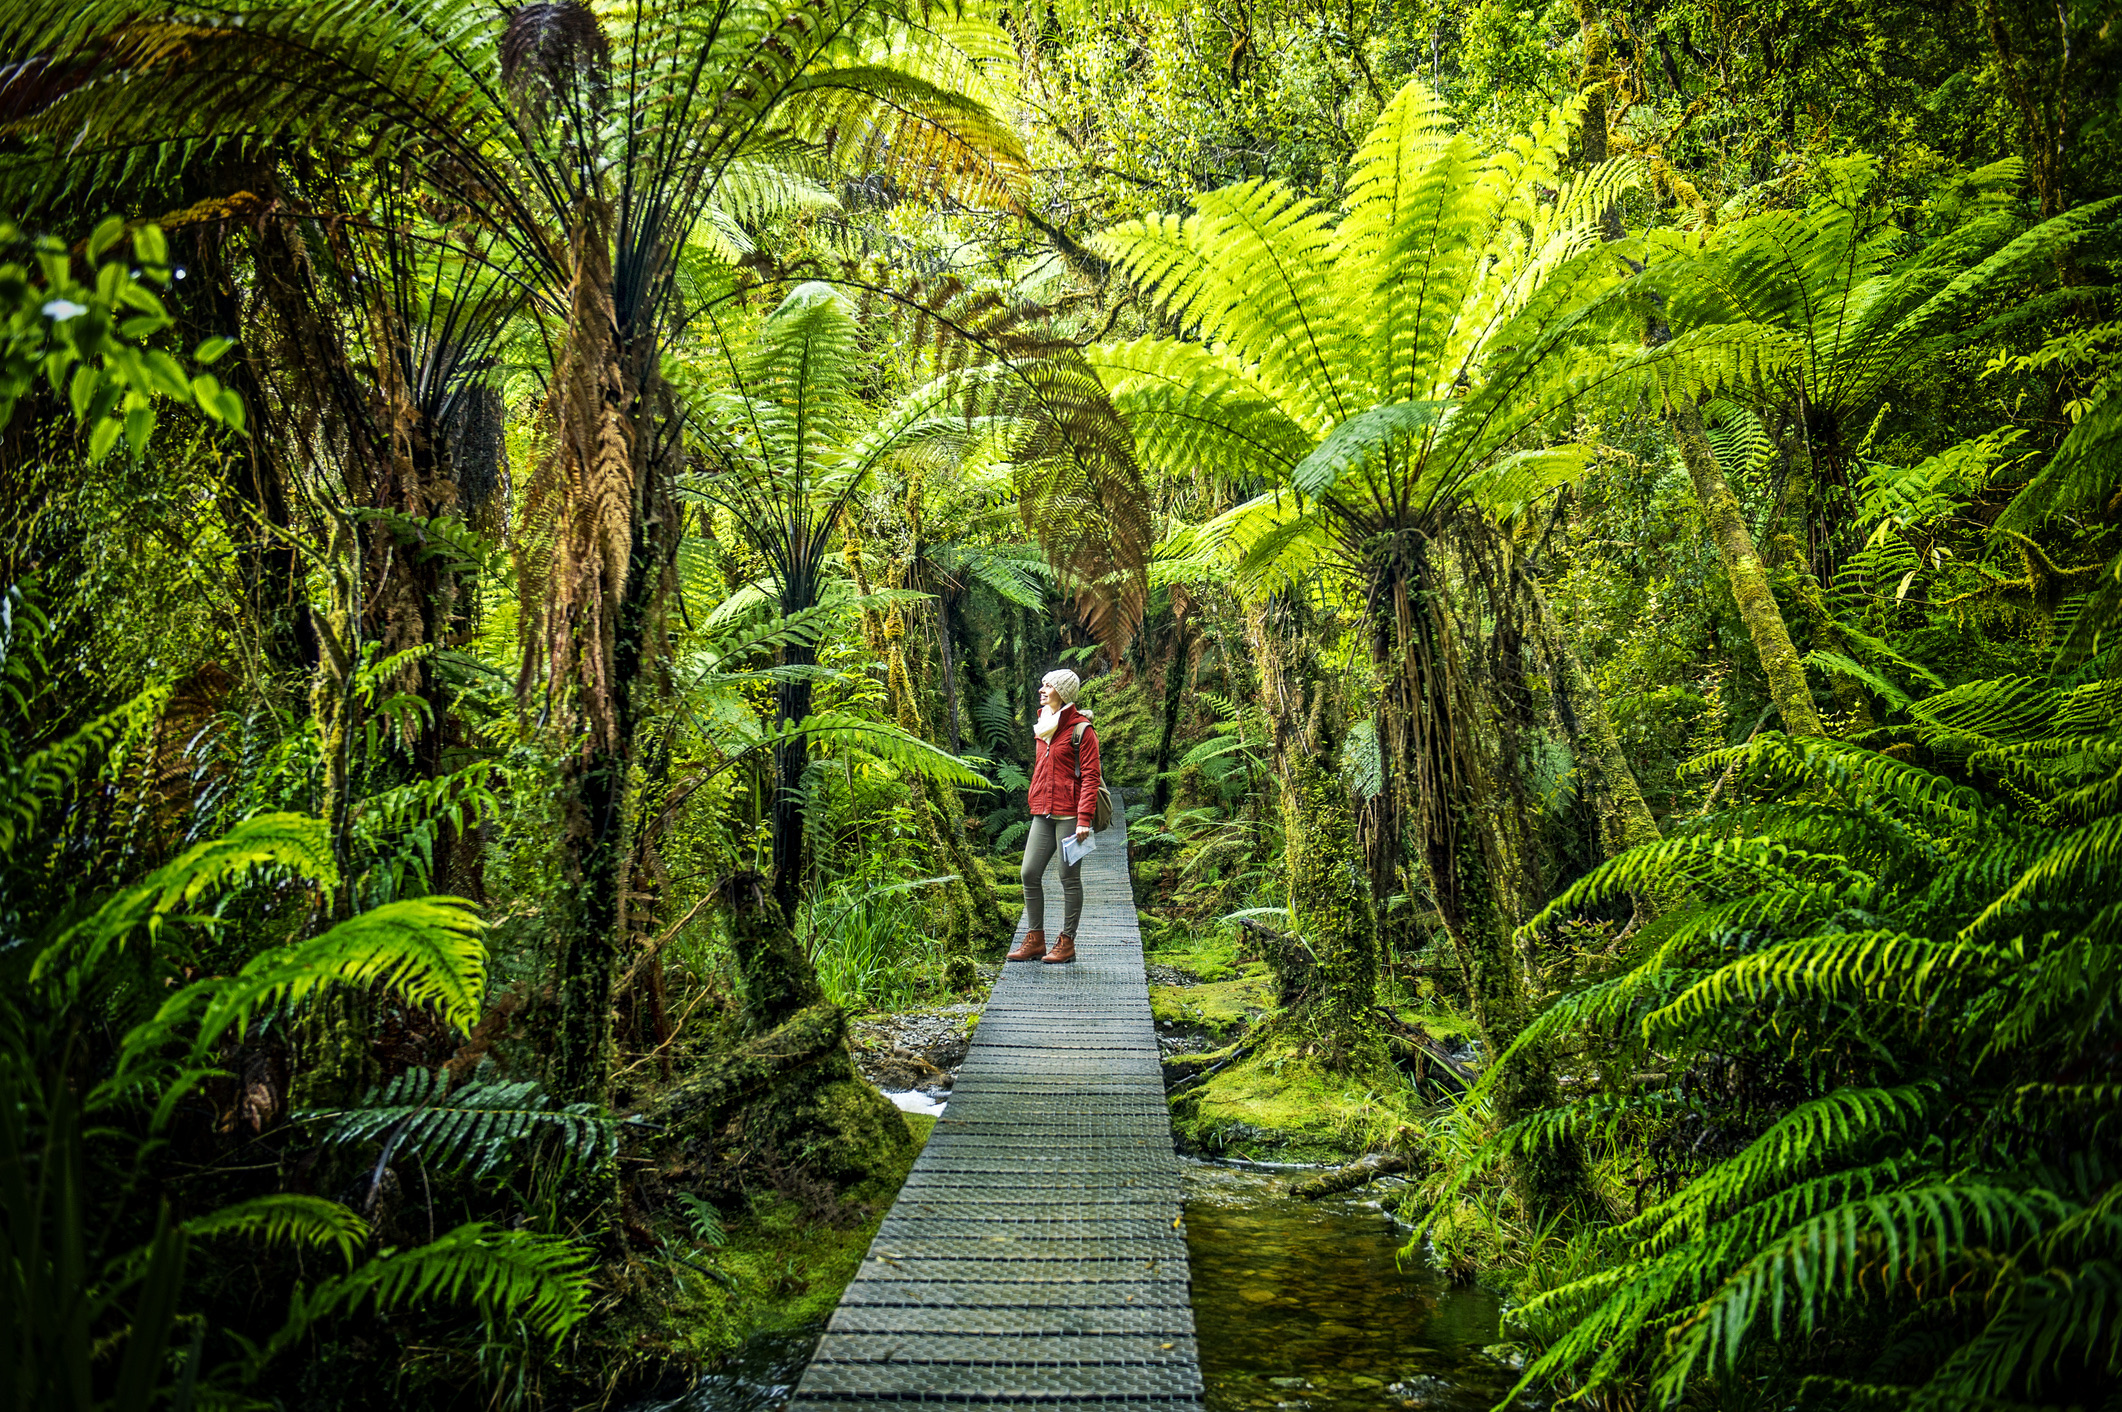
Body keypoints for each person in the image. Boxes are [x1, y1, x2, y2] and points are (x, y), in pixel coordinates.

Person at [1007, 668, 1102, 964]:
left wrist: (1084, 818)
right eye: (1043, 684)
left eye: (1048, 685)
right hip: (1042, 811)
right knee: (1029, 873)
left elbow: (1091, 776)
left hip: (1070, 813)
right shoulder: (1043, 725)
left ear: (1063, 692)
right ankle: (1035, 939)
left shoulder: (1081, 730)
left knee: (1068, 877)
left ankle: (1067, 942)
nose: (1042, 689)